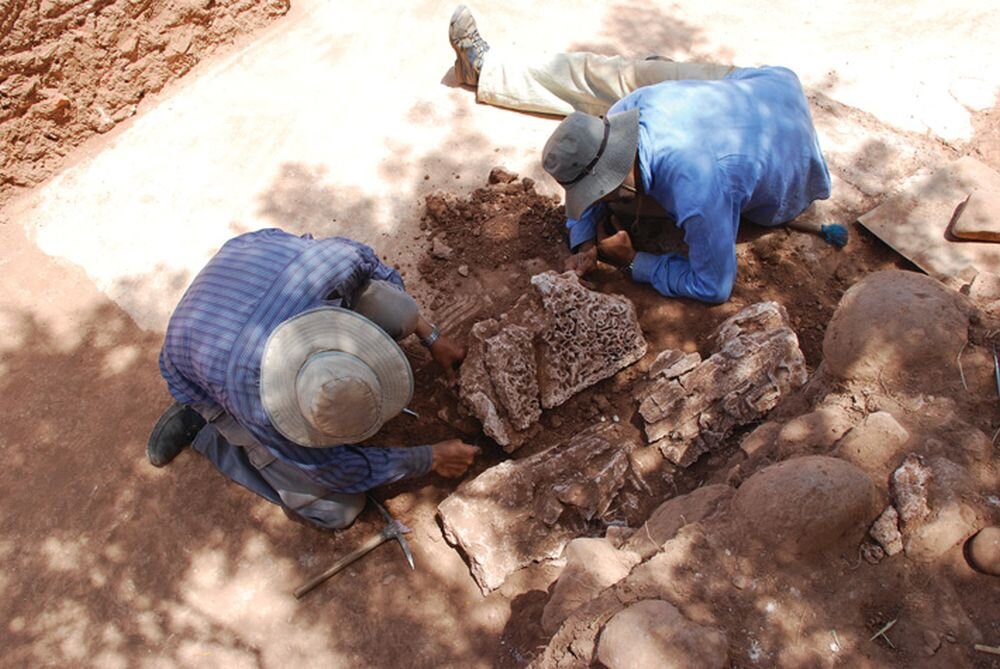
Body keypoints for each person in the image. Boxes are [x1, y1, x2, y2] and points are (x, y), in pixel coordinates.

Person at [448, 6, 845, 304]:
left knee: (643, 208)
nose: (592, 202)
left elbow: (715, 286)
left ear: (618, 180)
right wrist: (583, 241)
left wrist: (633, 261)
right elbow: (595, 170)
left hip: (792, 176)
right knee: (627, 76)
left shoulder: (697, 189)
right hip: (763, 85)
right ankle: (490, 70)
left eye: (595, 193)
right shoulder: (627, 110)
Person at [148, 228, 479, 530]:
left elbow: (369, 264)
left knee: (399, 312)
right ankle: (208, 429)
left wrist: (431, 337)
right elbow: (335, 470)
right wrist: (430, 457)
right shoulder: (259, 404)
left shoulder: (336, 265)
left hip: (249, 263)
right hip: (199, 364)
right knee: (339, 509)